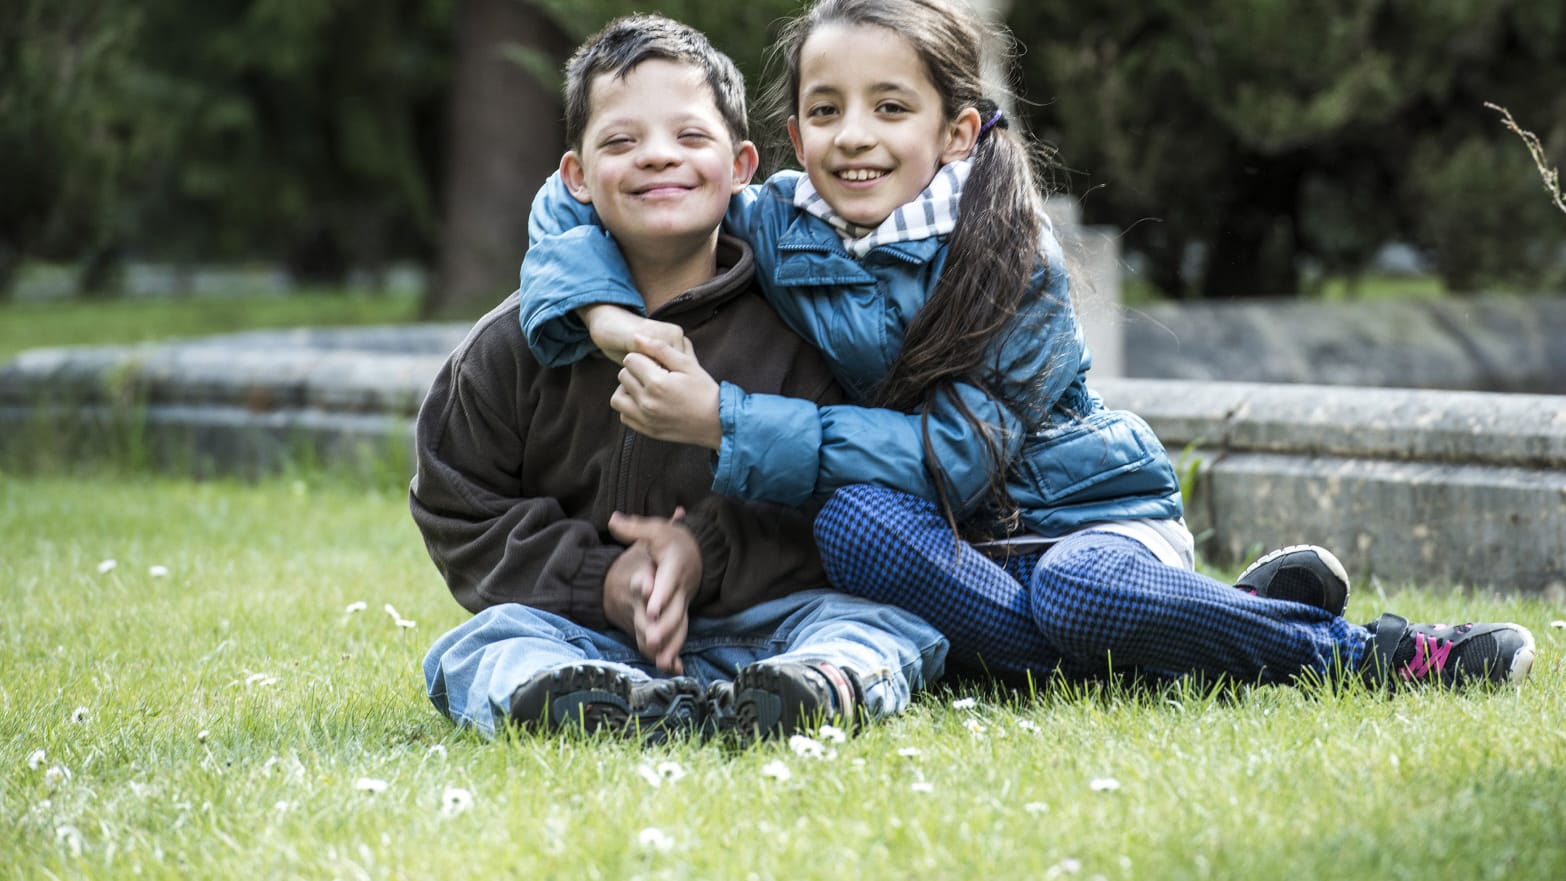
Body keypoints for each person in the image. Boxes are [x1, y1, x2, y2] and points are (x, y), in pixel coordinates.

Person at [516, 0, 1535, 691]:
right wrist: (615, 324)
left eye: (890, 107)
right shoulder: (783, 222)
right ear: (791, 132)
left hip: (1086, 521)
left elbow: (955, 456)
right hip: (963, 551)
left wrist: (723, 420)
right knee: (858, 524)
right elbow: (568, 212)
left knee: (1080, 589)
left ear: (956, 132)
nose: (854, 136)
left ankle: (1363, 653)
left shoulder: (1008, 255)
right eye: (825, 111)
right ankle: (1201, 617)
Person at [413, 14, 947, 743]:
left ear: (741, 166)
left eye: (691, 137)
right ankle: (591, 702)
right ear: (575, 175)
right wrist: (600, 579)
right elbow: (457, 499)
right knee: (479, 645)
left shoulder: (802, 326)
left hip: (773, 628)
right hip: (587, 639)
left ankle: (810, 691)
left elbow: (843, 499)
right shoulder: (512, 345)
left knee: (881, 623)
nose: (659, 157)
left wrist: (707, 550)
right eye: (622, 141)